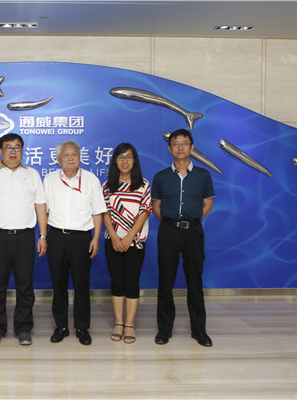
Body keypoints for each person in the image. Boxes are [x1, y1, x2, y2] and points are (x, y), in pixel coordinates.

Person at [0, 133, 48, 346]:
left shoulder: (32, 174)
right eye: (8, 147)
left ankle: (23, 328)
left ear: (22, 151)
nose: (13, 151)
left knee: (25, 285)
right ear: (1, 151)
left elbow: (40, 206)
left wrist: (43, 235)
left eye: (17, 147)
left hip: (25, 237)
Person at [151, 129, 215, 347]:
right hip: (168, 231)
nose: (180, 147)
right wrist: (172, 223)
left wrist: (191, 221)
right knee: (165, 282)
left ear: (192, 147)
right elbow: (156, 207)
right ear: (170, 149)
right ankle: (164, 330)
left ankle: (199, 331)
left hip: (193, 232)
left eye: (184, 143)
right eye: (175, 144)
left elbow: (207, 206)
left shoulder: (203, 176)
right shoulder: (161, 177)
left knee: (195, 281)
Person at [43, 140, 107, 346]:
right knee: (58, 283)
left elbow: (98, 211)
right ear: (58, 159)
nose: (70, 158)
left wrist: (95, 238)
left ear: (80, 157)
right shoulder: (49, 180)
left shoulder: (90, 180)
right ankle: (61, 326)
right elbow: (43, 211)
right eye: (66, 155)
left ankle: (82, 327)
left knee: (81, 284)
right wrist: (44, 236)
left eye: (74, 154)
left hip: (81, 238)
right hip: (56, 236)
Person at [103, 143, 151, 344]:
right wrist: (115, 237)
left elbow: (145, 211)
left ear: (134, 160)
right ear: (115, 160)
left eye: (129, 157)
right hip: (113, 240)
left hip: (135, 241)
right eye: (121, 157)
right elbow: (104, 212)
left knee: (132, 283)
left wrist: (130, 236)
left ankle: (129, 325)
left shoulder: (143, 184)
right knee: (117, 283)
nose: (125, 161)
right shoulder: (107, 186)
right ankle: (119, 323)